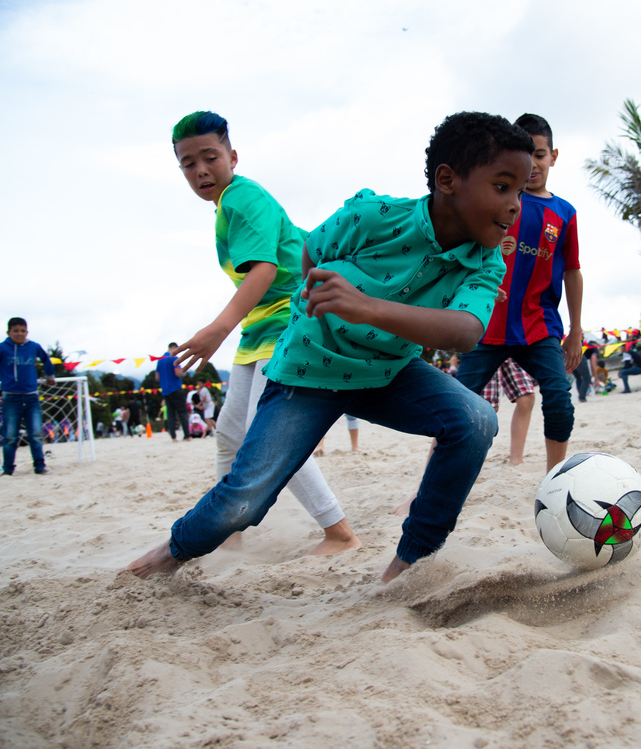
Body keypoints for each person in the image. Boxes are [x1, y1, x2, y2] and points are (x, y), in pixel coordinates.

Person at [125, 110, 534, 584]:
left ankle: (408, 563)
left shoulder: (484, 262)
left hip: (387, 374)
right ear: (447, 180)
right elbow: (311, 252)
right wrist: (312, 308)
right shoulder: (374, 216)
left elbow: (465, 330)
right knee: (243, 499)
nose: (514, 206)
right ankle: (172, 551)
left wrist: (367, 308)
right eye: (503, 187)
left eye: (521, 192)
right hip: (309, 371)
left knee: (474, 419)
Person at [164, 111, 356, 554]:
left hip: (288, 322)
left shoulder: (241, 199)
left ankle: (340, 533)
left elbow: (266, 270)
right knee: (230, 432)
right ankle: (225, 527)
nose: (200, 171)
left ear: (232, 155)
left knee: (265, 435)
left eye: (209, 157)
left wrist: (218, 329)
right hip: (259, 329)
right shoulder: (227, 204)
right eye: (188, 163)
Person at [451, 113, 581, 471]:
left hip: (539, 328)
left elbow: (572, 271)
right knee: (457, 403)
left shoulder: (564, 213)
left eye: (540, 154)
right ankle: (424, 486)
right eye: (526, 154)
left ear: (553, 156)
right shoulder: (496, 202)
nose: (534, 163)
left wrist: (576, 330)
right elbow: (464, 253)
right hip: (487, 328)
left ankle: (556, 477)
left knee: (558, 398)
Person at [0, 317, 56, 475]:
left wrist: (50, 377)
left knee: (36, 434)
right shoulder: (1, 348)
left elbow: (46, 359)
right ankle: (8, 469)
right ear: (8, 332)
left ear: (27, 332)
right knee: (10, 435)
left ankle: (40, 466)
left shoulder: (34, 347)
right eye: (15, 331)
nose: (19, 334)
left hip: (32, 397)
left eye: (22, 331)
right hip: (11, 398)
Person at [482, 359, 536, 466]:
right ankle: (440, 454)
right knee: (487, 407)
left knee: (526, 397)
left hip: (513, 344)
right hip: (485, 344)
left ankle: (517, 460)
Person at [156, 344, 193, 443]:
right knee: (182, 413)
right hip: (176, 388)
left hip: (165, 391)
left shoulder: (160, 360)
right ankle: (187, 436)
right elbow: (178, 373)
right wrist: (183, 371)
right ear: (174, 348)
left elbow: (157, 378)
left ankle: (173, 438)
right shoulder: (173, 358)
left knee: (170, 414)